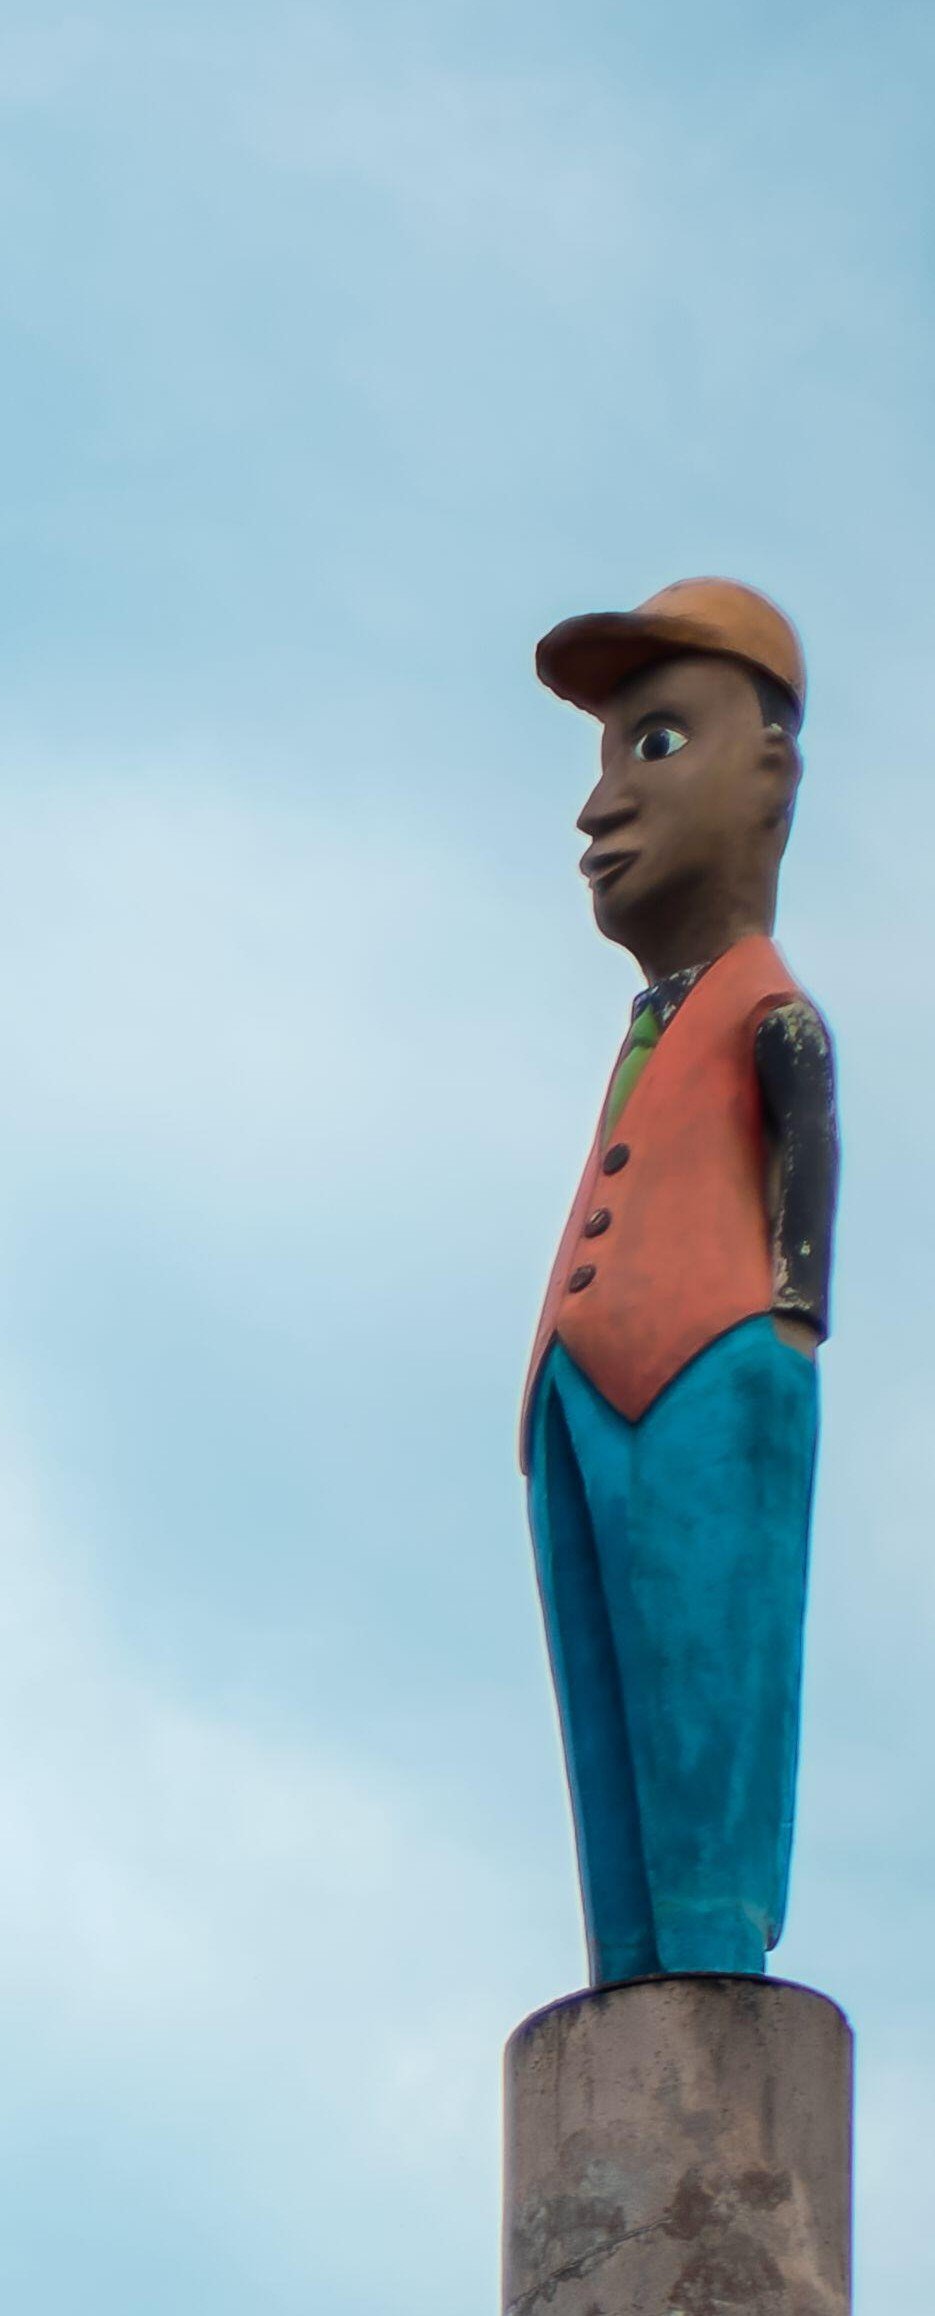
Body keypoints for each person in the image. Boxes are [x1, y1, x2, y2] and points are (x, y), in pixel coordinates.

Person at [520, 577, 836, 1986]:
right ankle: (627, 1973)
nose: (602, 807)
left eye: (656, 743)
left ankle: (709, 1966)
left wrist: (790, 1320)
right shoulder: (653, 1025)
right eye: (607, 757)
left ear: (769, 775)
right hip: (579, 1394)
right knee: (604, 1738)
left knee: (709, 1703)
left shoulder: (771, 1012)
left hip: (713, 1366)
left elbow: (805, 1147)